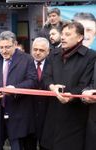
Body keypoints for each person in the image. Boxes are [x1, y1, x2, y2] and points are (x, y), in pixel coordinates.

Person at [41, 22, 96, 150]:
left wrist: (70, 96)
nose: (63, 37)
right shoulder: (53, 54)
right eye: (63, 34)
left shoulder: (90, 56)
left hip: (75, 114)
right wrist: (52, 87)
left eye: (68, 34)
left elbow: (85, 83)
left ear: (80, 37)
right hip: (53, 112)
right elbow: (46, 77)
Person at [0, 31, 37, 150]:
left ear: (15, 44)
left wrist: (15, 89)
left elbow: (32, 81)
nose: (4, 51)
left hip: (18, 112)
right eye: (1, 47)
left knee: (17, 146)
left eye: (7, 47)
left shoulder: (27, 59)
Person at [24, 37, 50, 150]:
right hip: (28, 113)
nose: (37, 52)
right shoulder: (24, 63)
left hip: (47, 113)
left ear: (48, 51)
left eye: (41, 50)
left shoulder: (53, 64)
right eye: (35, 49)